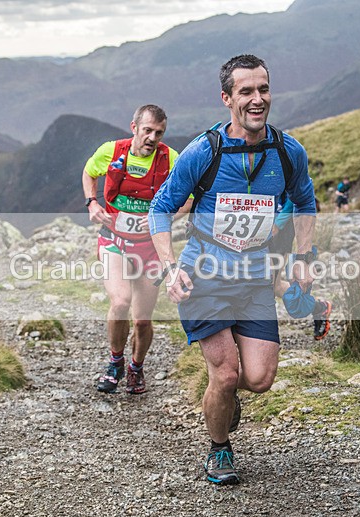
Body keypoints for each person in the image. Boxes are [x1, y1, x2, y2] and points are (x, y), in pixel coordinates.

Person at [149, 54, 316, 485]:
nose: (257, 99)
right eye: (246, 91)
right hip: (203, 276)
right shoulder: (203, 152)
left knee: (257, 379)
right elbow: (161, 208)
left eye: (263, 89)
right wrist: (171, 268)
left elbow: (305, 202)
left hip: (255, 279)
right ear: (227, 99)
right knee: (225, 374)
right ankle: (219, 449)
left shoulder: (287, 151)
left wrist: (303, 258)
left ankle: (223, 398)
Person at [81, 104, 184, 395]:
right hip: (114, 240)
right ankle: (115, 362)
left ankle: (136, 368)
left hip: (149, 248)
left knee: (142, 320)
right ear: (134, 127)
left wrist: (160, 219)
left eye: (159, 133)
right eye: (148, 130)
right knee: (121, 301)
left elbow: (188, 199)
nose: (153, 137)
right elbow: (89, 173)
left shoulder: (171, 159)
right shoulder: (111, 151)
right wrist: (92, 202)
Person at [271, 197, 332, 340]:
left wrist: (278, 224)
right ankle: (320, 307)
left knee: (270, 284)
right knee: (275, 285)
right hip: (259, 224)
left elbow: (295, 195)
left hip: (280, 228)